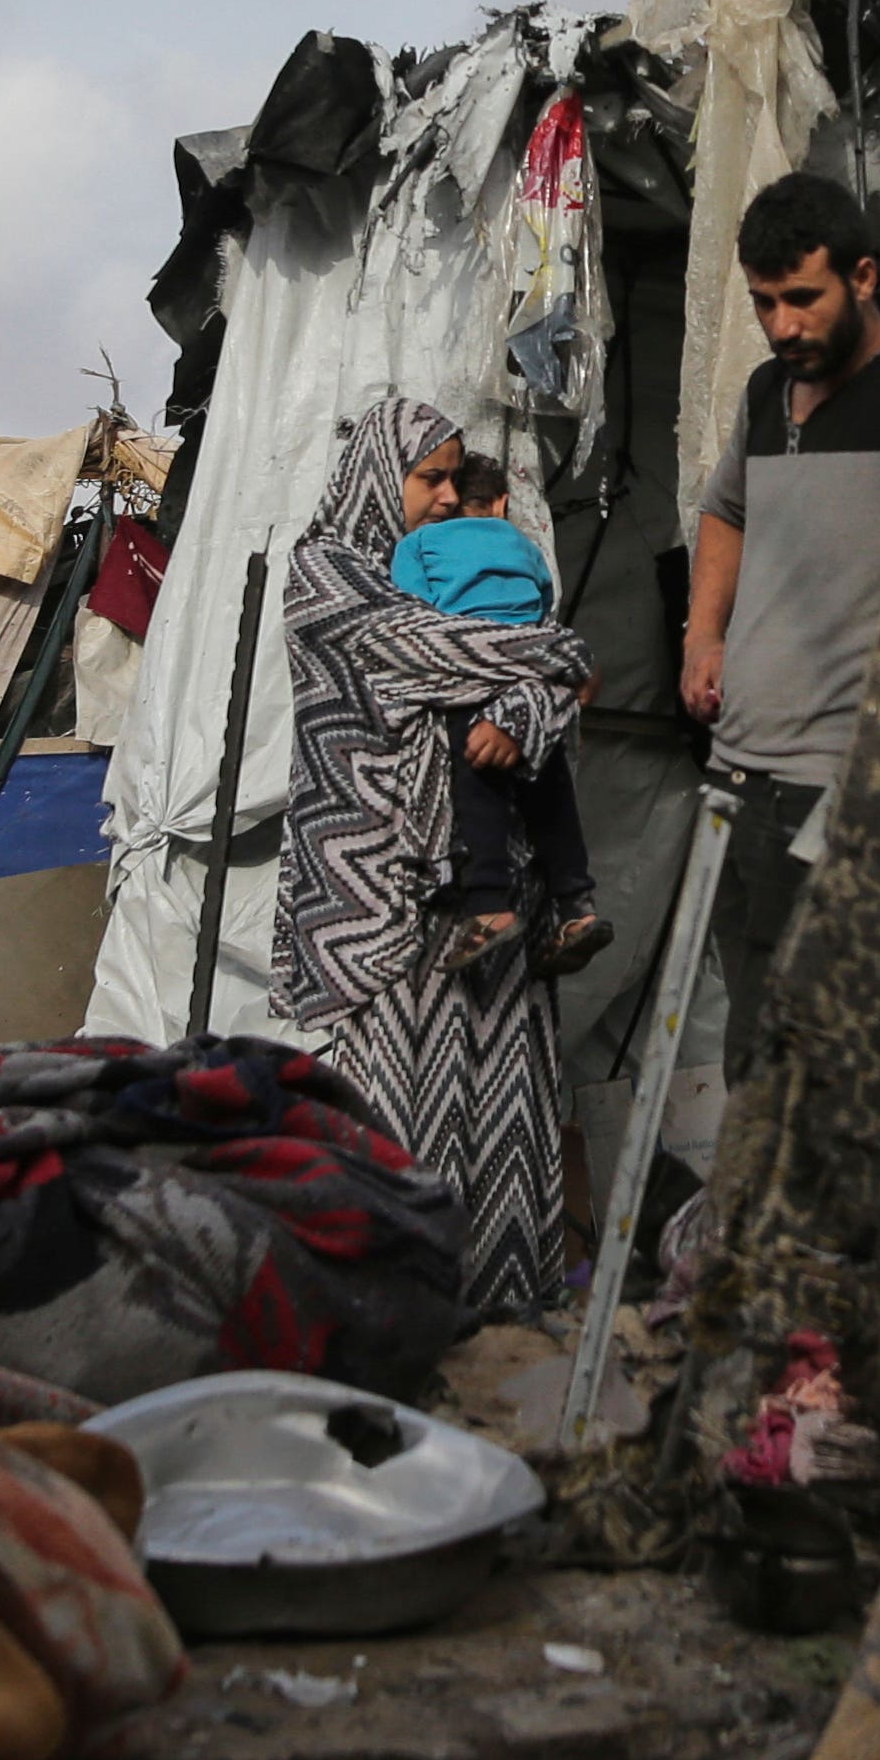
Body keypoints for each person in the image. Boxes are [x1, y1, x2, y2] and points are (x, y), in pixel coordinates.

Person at [271, 400, 597, 1308]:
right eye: (431, 478)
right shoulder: (327, 577)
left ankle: (501, 1318)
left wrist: (530, 704)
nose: (451, 497)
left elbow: (539, 689)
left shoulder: (462, 568)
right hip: (381, 894)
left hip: (497, 883)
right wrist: (555, 661)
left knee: (504, 1104)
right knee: (393, 1112)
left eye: (458, 477)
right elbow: (437, 653)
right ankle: (393, 1318)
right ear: (382, 476)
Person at [681, 172, 880, 1090]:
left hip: (848, 796)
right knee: (757, 1061)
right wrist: (702, 636)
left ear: (866, 277)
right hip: (736, 781)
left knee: (850, 1071)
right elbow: (725, 509)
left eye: (803, 298)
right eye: (765, 304)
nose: (783, 325)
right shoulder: (767, 395)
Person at [392, 449, 608, 981]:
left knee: (478, 788)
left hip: (471, 687)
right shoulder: (522, 544)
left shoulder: (417, 543)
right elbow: (543, 603)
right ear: (502, 502)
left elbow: (411, 613)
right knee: (552, 796)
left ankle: (489, 903)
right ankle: (577, 909)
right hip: (533, 683)